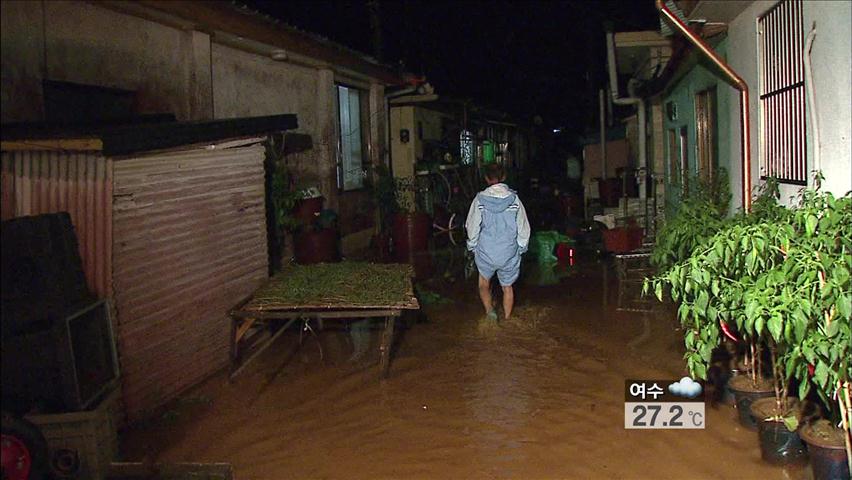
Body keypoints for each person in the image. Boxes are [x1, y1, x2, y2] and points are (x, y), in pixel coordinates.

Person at [465, 163, 531, 321]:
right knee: (507, 287)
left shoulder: (479, 200)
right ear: (504, 177)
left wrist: (472, 245)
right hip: (509, 252)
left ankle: (490, 313)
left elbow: (472, 226)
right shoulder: (514, 199)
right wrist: (521, 247)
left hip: (486, 252)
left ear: (486, 178)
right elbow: (523, 226)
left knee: (483, 284)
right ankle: (508, 320)